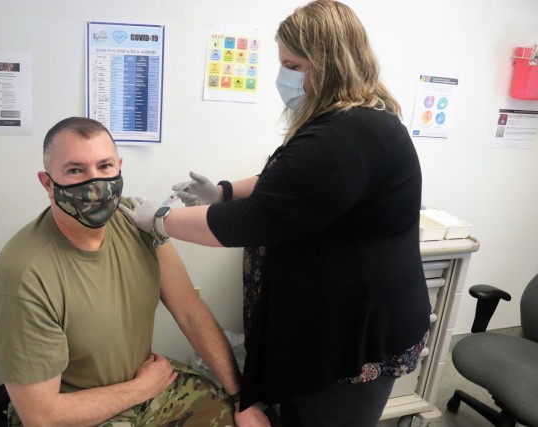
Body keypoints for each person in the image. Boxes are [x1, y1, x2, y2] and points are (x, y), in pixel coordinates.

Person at [119, 1, 431, 426]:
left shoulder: (346, 136)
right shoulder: (348, 118)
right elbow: (285, 177)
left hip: (354, 334)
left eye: (292, 65)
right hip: (329, 318)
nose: (283, 76)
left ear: (329, 63)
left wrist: (159, 221)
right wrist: (225, 191)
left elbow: (247, 222)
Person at [0, 117, 270, 427]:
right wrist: (140, 388)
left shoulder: (136, 221)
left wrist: (243, 398)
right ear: (47, 183)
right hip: (79, 412)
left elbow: (189, 309)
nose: (95, 184)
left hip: (149, 388)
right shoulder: (24, 276)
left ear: (119, 166)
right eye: (75, 170)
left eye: (105, 166)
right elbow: (41, 417)